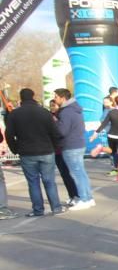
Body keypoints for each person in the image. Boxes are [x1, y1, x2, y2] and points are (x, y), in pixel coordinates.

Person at [4, 88, 65, 216]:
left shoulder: (15, 114)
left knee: (33, 182)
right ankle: (56, 207)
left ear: (21, 99)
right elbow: (55, 133)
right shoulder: (44, 112)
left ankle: (38, 209)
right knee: (49, 181)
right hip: (46, 150)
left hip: (27, 152)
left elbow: (9, 135)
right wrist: (54, 147)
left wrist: (15, 149)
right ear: (33, 96)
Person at [53, 88, 95, 211]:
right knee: (81, 173)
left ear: (62, 98)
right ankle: (88, 197)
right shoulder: (75, 109)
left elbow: (62, 131)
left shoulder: (66, 112)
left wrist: (55, 123)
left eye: (56, 97)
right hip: (78, 144)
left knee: (77, 173)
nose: (55, 99)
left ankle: (84, 199)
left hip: (70, 145)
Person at [90, 95, 118, 181]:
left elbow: (104, 124)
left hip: (111, 136)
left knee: (112, 151)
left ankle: (102, 148)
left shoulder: (111, 112)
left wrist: (95, 134)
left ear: (115, 102)